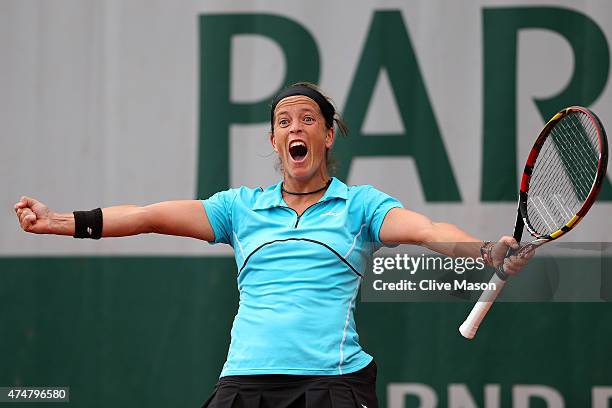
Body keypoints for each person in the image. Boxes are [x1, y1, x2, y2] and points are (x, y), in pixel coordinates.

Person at [14, 82, 532, 408]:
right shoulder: (239, 209)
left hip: (330, 386)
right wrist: (60, 220)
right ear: (274, 142)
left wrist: (485, 251)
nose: (294, 127)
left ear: (328, 136)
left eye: (306, 118)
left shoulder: (360, 207)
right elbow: (149, 216)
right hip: (243, 382)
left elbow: (426, 231)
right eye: (284, 122)